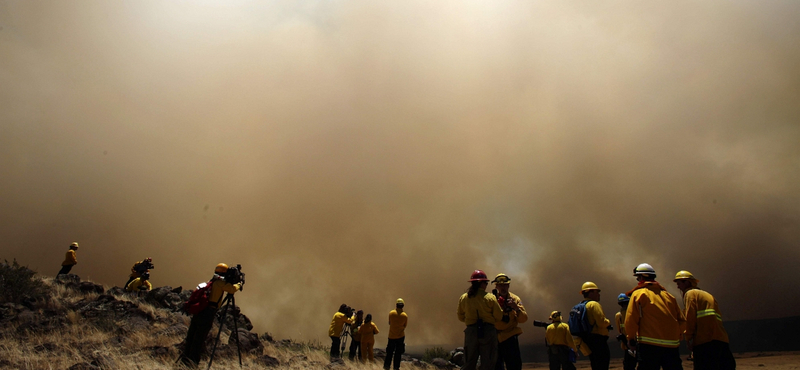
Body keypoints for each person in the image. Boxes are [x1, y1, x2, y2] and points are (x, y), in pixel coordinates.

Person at [179, 263, 243, 367]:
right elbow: (232, 289)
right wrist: (239, 284)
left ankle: (184, 360)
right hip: (208, 313)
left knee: (191, 337)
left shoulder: (210, 282)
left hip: (199, 312)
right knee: (199, 339)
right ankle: (192, 364)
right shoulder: (220, 283)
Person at [625, 263, 685, 370]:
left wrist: (631, 338)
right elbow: (682, 320)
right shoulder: (669, 296)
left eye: (638, 278)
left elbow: (631, 318)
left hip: (649, 347)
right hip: (672, 346)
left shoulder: (639, 294)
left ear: (642, 277)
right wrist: (677, 336)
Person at [673, 271, 736, 370]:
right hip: (721, 339)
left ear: (686, 282)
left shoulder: (690, 294)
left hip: (704, 341)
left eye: (679, 283)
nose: (678, 287)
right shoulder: (707, 294)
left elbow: (690, 317)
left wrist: (688, 338)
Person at [457, 270, 504, 370]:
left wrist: (470, 320)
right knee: (488, 362)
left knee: (469, 362)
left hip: (471, 332)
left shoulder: (464, 298)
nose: (486, 285)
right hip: (488, 332)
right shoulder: (490, 298)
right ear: (481, 284)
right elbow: (499, 316)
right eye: (486, 283)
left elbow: (460, 316)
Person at [492, 273, 528, 370]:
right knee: (496, 366)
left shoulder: (515, 299)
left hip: (510, 338)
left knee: (514, 366)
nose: (503, 288)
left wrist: (515, 308)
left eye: (505, 285)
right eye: (500, 285)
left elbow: (523, 319)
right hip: (495, 339)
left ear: (508, 285)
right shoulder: (491, 300)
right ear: (496, 286)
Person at [576, 282, 611, 370]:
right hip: (598, 340)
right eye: (597, 292)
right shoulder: (594, 305)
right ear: (590, 292)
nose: (599, 294)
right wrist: (608, 322)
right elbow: (601, 323)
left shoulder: (581, 305)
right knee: (602, 364)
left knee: (595, 364)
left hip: (588, 340)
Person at [385, 298, 408, 370]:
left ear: (396, 305)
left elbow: (389, 322)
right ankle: (396, 367)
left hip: (391, 336)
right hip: (400, 337)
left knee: (389, 353)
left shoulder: (391, 313)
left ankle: (386, 366)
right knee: (398, 353)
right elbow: (405, 326)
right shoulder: (405, 315)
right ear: (403, 306)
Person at [614, 293, 636, 370]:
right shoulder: (635, 312)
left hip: (628, 344)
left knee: (628, 366)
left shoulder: (618, 315)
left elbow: (620, 330)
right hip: (638, 343)